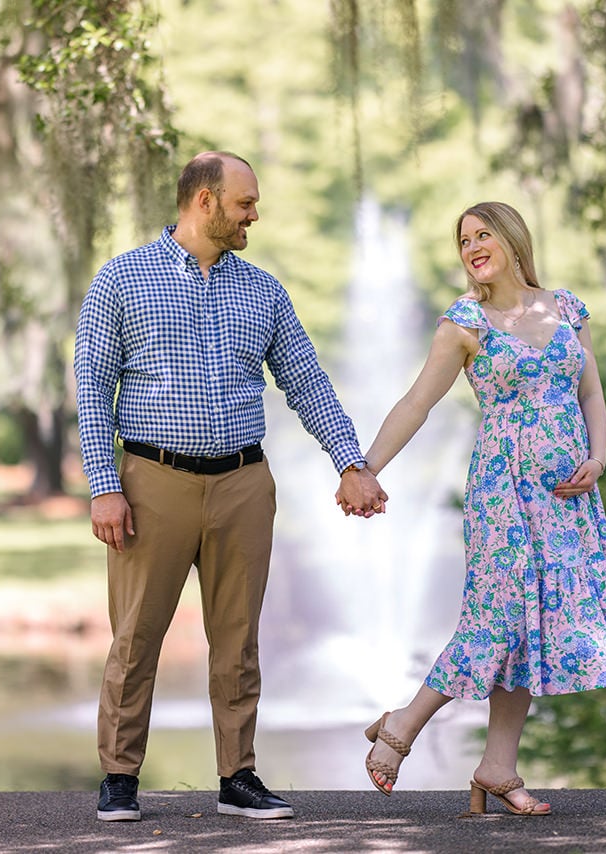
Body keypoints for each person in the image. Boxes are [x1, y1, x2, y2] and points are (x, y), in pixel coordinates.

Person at [74, 151, 388, 823]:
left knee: (239, 640)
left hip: (244, 482)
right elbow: (94, 387)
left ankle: (237, 776)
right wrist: (105, 484)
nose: (255, 214)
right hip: (152, 481)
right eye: (245, 202)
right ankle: (120, 777)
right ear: (205, 202)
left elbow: (306, 380)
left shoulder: (264, 291)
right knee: (136, 637)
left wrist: (351, 462)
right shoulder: (122, 279)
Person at [338, 201, 606, 816]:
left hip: (567, 496)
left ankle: (497, 766)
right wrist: (365, 466)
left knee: (533, 625)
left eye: (483, 235)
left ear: (512, 239)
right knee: (499, 614)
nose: (472, 247)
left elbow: (592, 393)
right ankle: (403, 725)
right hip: (503, 491)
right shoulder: (464, 323)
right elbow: (415, 404)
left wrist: (599, 457)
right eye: (463, 241)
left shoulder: (567, 308)